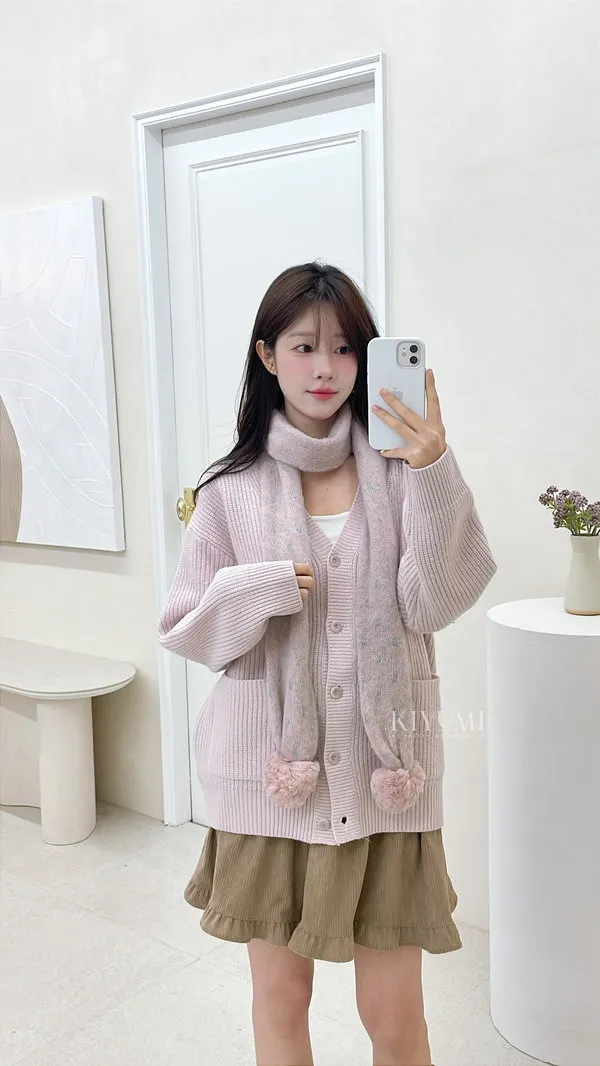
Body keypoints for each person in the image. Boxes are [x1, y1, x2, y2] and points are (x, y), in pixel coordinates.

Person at [157, 262, 497, 1066]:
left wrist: (434, 467)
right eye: (304, 346)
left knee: (396, 1015)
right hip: (270, 787)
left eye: (345, 348)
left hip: (388, 783)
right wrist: (259, 588)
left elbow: (437, 601)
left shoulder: (403, 474)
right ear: (267, 355)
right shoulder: (229, 491)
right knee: (281, 1001)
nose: (325, 368)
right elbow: (188, 632)